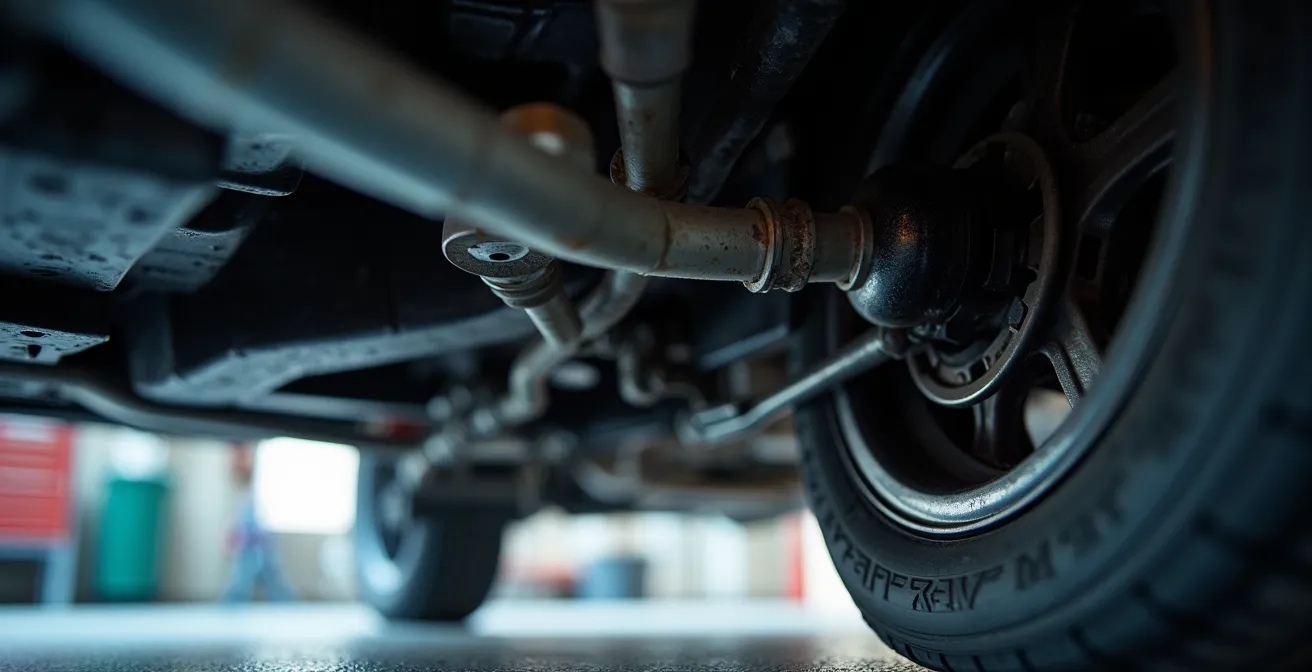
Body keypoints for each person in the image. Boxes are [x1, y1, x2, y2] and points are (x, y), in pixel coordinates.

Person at [219, 444, 297, 602]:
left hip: (259, 544)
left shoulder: (258, 492)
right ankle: (230, 605)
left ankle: (289, 605)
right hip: (250, 545)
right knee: (244, 580)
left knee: (269, 580)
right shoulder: (243, 498)